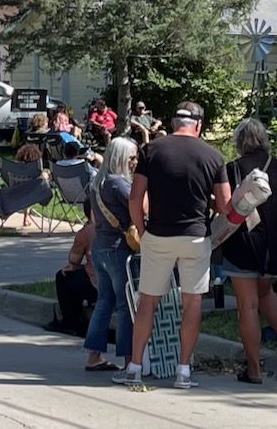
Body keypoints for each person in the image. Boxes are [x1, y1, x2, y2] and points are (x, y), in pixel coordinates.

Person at [118, 101, 230, 390]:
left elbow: (135, 198)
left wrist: (141, 230)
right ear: (198, 125)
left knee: (147, 302)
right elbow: (225, 204)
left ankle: (134, 367)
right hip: (196, 236)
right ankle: (183, 371)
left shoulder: (151, 150)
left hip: (158, 235)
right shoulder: (213, 156)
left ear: (172, 123)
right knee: (192, 303)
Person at [221, 119, 277, 384]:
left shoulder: (234, 168)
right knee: (266, 292)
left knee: (248, 305)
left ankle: (254, 369)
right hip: (275, 244)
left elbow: (225, 204)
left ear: (239, 141)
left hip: (243, 243)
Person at [83, 137, 137, 372]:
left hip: (100, 246)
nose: (135, 162)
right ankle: (129, 359)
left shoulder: (98, 182)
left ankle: (94, 356)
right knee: (125, 305)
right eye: (132, 157)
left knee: (104, 302)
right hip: (119, 249)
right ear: (121, 158)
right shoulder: (118, 184)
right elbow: (139, 208)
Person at [46, 202, 97, 337]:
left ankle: (71, 321)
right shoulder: (117, 225)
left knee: (63, 276)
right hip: (119, 281)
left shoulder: (88, 231)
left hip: (97, 285)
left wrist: (77, 265)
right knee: (79, 275)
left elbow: (73, 259)